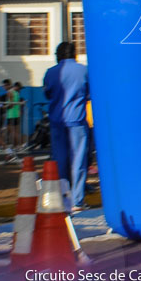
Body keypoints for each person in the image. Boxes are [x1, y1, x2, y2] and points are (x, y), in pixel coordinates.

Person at [43, 42, 89, 211]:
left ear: (58, 54)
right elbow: (90, 91)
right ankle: (78, 200)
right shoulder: (83, 70)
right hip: (77, 121)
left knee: (60, 161)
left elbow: (48, 93)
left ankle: (64, 198)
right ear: (74, 54)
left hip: (56, 122)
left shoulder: (50, 72)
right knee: (78, 161)